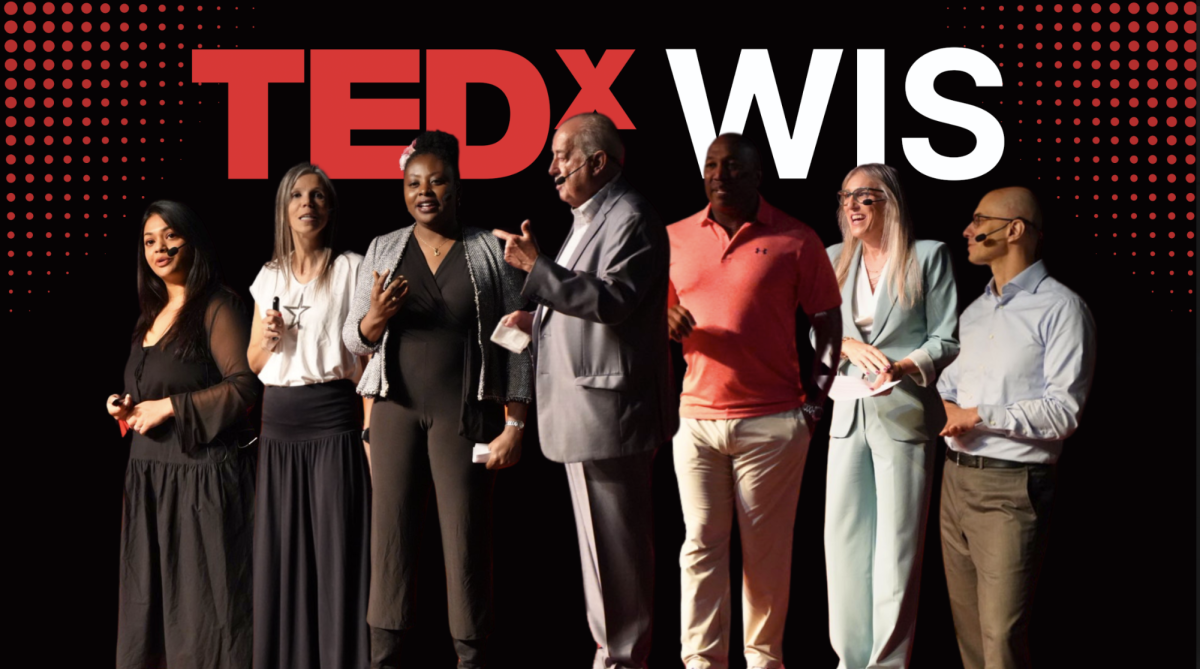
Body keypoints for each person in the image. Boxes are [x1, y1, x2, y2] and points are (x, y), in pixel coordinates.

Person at [342, 130, 533, 669]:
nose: (424, 191)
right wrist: (374, 317)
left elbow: (517, 342)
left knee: (466, 538)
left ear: (457, 185)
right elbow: (355, 342)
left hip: (464, 414)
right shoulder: (383, 248)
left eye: (437, 180)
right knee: (390, 541)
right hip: (394, 412)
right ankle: (384, 660)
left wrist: (514, 423)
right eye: (413, 183)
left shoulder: (489, 251)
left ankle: (471, 659)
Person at [494, 111, 675, 669]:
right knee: (601, 555)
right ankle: (612, 656)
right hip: (583, 409)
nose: (551, 169)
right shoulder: (589, 215)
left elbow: (615, 299)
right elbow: (584, 302)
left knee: (617, 556)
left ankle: (621, 660)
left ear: (598, 162)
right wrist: (536, 321)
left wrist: (537, 268)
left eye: (562, 156)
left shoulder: (632, 216)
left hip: (610, 413)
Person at [665, 133, 842, 669]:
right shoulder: (673, 237)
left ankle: (764, 661)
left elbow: (828, 323)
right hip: (695, 419)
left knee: (764, 557)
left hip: (772, 421)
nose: (720, 175)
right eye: (712, 165)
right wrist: (658, 318)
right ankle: (701, 662)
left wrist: (815, 402)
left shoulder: (796, 238)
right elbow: (644, 312)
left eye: (734, 167)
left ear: (756, 175)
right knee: (699, 547)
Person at [937, 187, 1096, 669]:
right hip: (955, 482)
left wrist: (982, 414)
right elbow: (950, 379)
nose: (967, 230)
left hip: (1011, 489)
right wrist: (949, 404)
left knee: (1000, 639)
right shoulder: (975, 310)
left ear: (1014, 230)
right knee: (969, 637)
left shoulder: (1062, 309)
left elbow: (1063, 413)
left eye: (977, 219)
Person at [107, 200, 260, 669]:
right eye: (150, 240)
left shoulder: (218, 305)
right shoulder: (149, 315)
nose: (160, 248)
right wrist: (125, 406)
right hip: (151, 481)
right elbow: (149, 394)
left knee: (205, 618)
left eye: (170, 236)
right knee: (147, 614)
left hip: (203, 482)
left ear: (192, 240)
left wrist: (171, 407)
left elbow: (245, 387)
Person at [820, 164, 960, 669]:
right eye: (846, 197)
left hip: (903, 414)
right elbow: (814, 339)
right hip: (847, 415)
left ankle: (886, 664)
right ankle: (849, 659)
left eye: (866, 197)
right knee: (843, 544)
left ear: (891, 203)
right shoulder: (832, 258)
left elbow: (945, 338)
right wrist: (848, 343)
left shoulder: (928, 256)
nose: (853, 206)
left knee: (896, 550)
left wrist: (903, 365)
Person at [247, 163, 371, 669]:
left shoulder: (353, 269)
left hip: (333, 423)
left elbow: (368, 361)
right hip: (278, 429)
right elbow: (255, 363)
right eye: (297, 195)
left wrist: (367, 435)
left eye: (318, 196)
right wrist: (269, 341)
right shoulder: (268, 276)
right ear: (284, 209)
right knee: (283, 560)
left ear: (330, 208)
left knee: (336, 559)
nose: (307, 204)